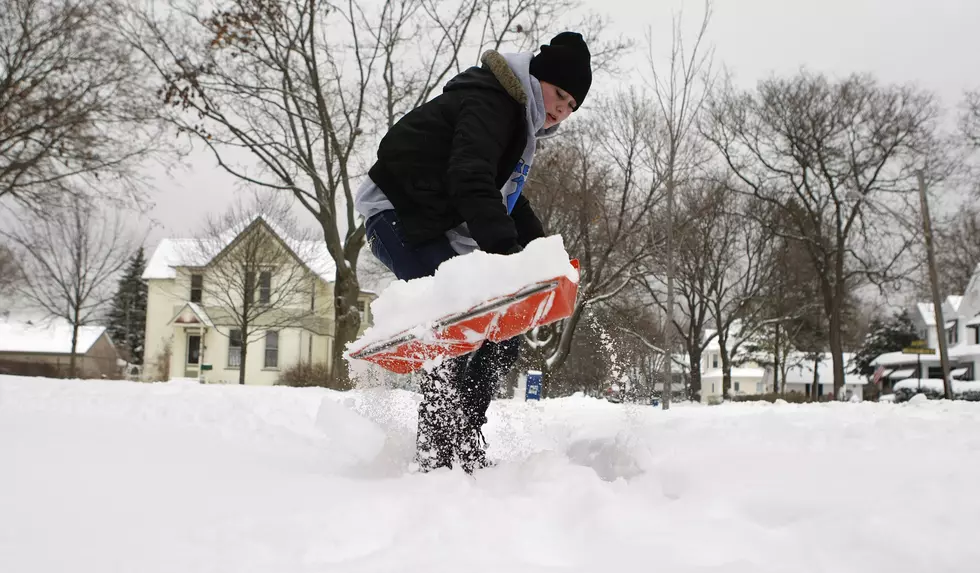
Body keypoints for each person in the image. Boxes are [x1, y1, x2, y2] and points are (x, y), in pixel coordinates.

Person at [355, 32, 593, 473]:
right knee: (456, 322)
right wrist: (507, 256)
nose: (562, 110)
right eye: (560, 94)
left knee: (500, 333)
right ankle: (437, 454)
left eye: (572, 106)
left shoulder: (518, 122)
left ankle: (465, 438)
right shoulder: (492, 102)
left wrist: (538, 256)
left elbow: (510, 198)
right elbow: (471, 177)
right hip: (396, 213)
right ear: (536, 77)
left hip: (434, 223)